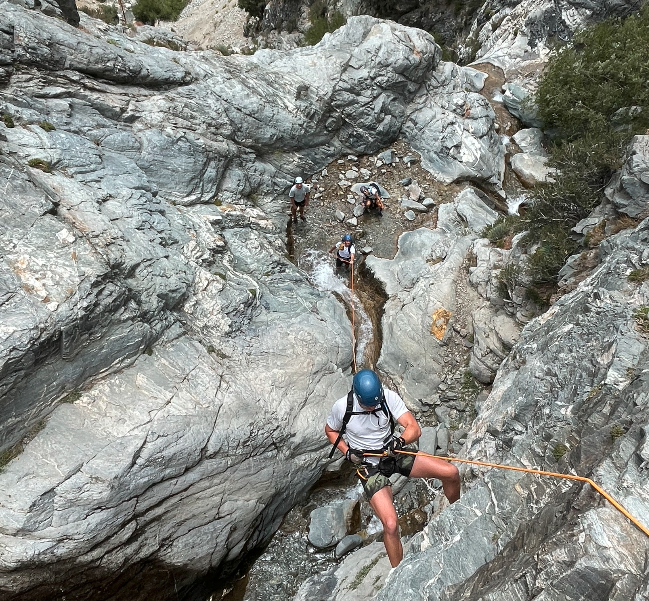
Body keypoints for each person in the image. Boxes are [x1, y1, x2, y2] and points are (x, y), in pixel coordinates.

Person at [325, 369, 460, 567]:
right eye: (367, 406)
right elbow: (330, 431)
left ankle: (457, 512)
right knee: (390, 524)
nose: (372, 409)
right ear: (357, 396)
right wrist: (347, 452)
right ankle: (398, 573)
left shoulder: (387, 398)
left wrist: (399, 441)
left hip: (392, 453)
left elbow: (414, 428)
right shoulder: (342, 407)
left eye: (374, 405)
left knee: (451, 473)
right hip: (369, 466)